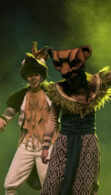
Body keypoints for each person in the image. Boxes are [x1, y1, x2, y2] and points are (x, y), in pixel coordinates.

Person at [40, 46, 111, 194]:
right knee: (52, 186)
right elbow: (53, 118)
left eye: (74, 74)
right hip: (64, 142)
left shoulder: (95, 84)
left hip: (87, 142)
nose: (71, 78)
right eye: (68, 76)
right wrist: (46, 147)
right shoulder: (59, 90)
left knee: (83, 187)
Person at [0, 42, 58, 195]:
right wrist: (1, 119)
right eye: (30, 75)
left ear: (42, 75)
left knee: (50, 188)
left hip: (48, 145)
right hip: (26, 145)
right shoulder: (20, 95)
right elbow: (9, 112)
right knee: (10, 185)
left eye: (36, 74)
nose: (32, 78)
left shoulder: (53, 92)